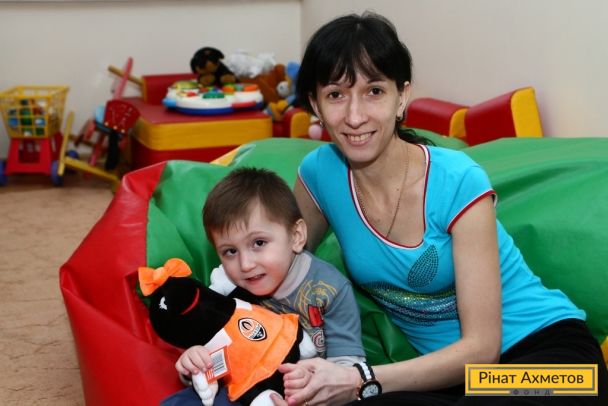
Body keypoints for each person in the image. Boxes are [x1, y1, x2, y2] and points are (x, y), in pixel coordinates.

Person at [270, 11, 608, 406]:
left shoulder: (457, 180)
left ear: (402, 97)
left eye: (374, 91)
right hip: (451, 379)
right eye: (335, 95)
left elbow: (483, 350)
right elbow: (277, 265)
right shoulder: (319, 175)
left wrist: (359, 378)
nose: (355, 116)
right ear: (315, 104)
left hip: (555, 363)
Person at [160, 167, 366, 406]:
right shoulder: (227, 286)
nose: (246, 264)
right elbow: (208, 344)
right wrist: (194, 363)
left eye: (259, 243)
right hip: (241, 387)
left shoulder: (330, 289)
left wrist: (312, 391)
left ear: (296, 236)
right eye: (230, 251)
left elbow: (347, 371)